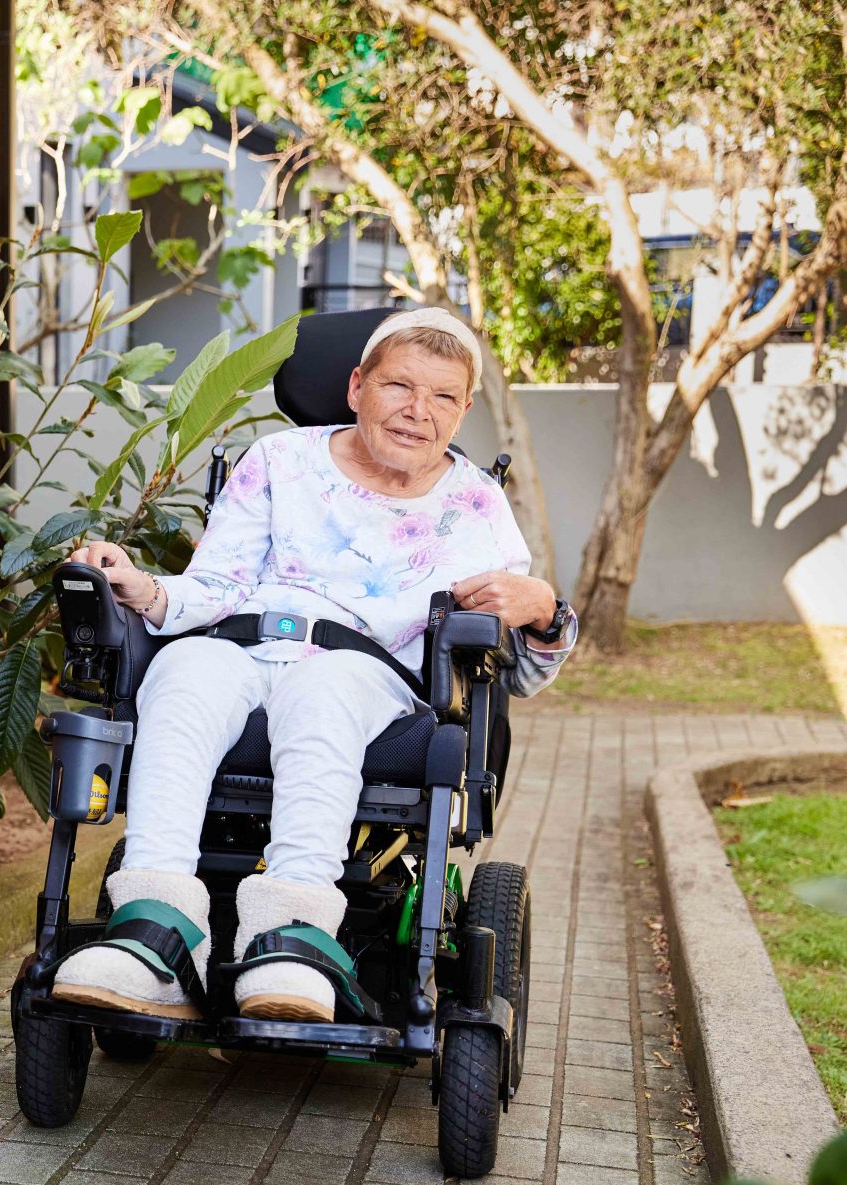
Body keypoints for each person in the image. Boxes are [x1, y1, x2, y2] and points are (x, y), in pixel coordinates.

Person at [54, 308, 576, 1024]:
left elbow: (517, 673)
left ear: (463, 410)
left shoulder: (476, 503)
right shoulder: (280, 460)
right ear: (357, 386)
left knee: (323, 685)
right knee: (180, 673)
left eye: (443, 397)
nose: (417, 412)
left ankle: (295, 934)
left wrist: (543, 607)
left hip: (363, 672)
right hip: (239, 642)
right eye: (398, 386)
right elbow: (215, 586)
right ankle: (158, 930)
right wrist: (139, 586)